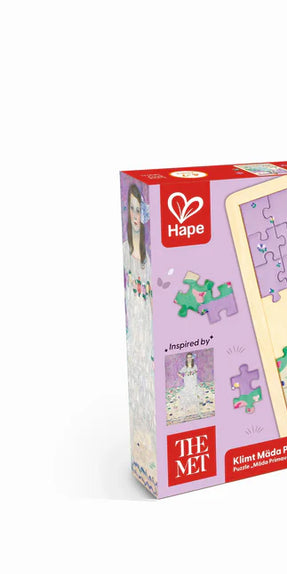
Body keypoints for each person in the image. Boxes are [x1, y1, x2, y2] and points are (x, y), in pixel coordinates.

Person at [123, 183, 155, 483]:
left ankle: (153, 448)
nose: (135, 215)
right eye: (131, 209)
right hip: (134, 317)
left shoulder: (149, 256)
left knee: (149, 377)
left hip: (148, 319)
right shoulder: (125, 250)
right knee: (138, 378)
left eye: (138, 209)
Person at [177, 353, 200, 417]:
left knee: (194, 393)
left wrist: (195, 383)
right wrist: (184, 378)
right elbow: (178, 373)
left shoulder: (195, 366)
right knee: (187, 393)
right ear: (186, 359)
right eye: (188, 357)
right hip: (187, 382)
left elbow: (195, 375)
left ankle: (195, 407)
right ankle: (187, 407)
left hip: (193, 382)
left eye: (190, 357)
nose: (189, 359)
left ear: (192, 358)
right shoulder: (185, 367)